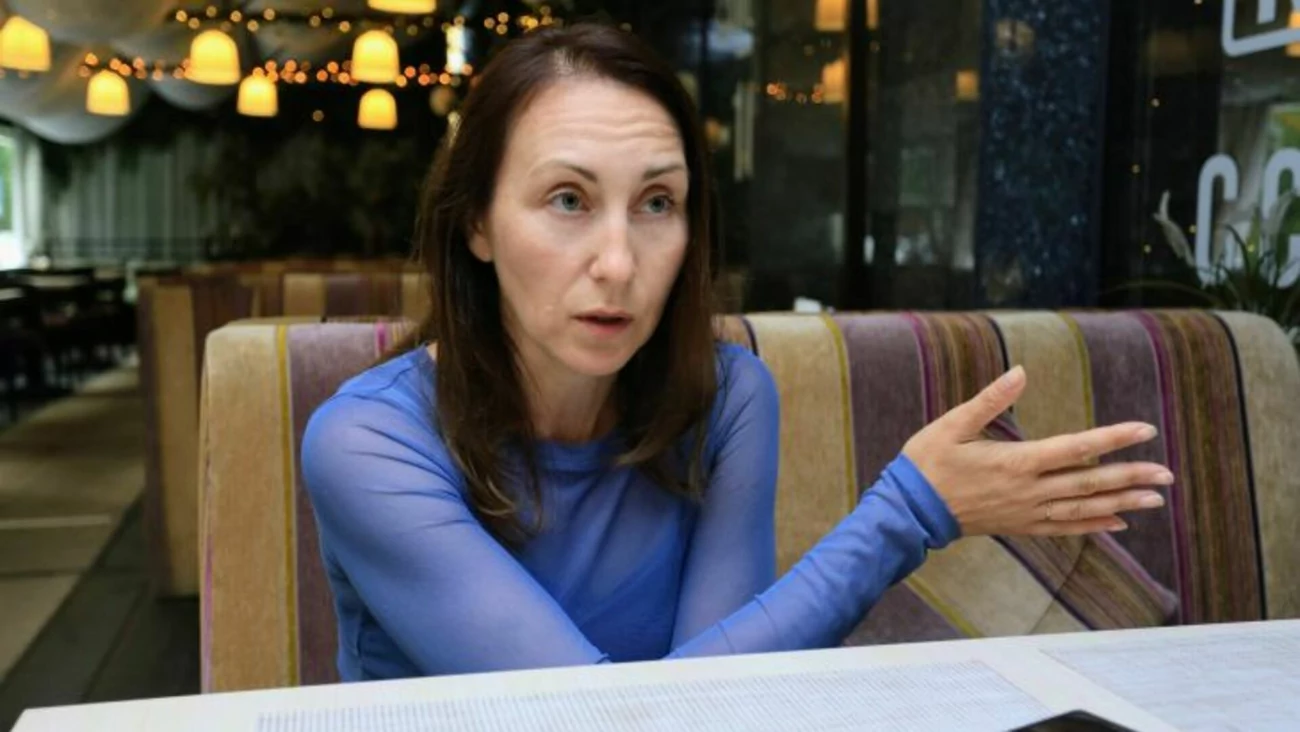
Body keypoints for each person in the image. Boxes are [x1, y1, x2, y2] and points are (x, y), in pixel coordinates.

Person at [300, 23, 1172, 682]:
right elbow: (588, 717)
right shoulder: (369, 442)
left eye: (657, 203)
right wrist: (909, 512)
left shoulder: (724, 398)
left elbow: (718, 699)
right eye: (568, 199)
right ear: (477, 226)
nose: (619, 263)